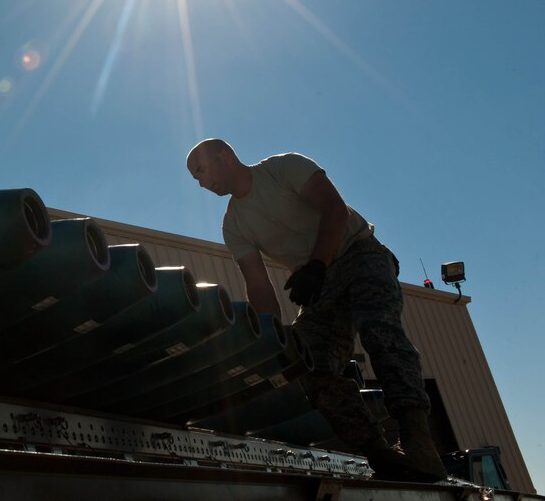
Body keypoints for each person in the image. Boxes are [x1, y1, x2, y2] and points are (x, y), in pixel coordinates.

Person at [185, 138, 447, 482]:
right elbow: (259, 285)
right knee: (304, 361)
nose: (202, 183)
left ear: (225, 155)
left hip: (360, 255)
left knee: (377, 329)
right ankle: (378, 451)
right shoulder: (233, 224)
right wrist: (271, 336)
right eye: (195, 179)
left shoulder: (284, 168)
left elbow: (334, 209)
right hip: (320, 284)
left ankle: (419, 443)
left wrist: (317, 265)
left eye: (201, 171)